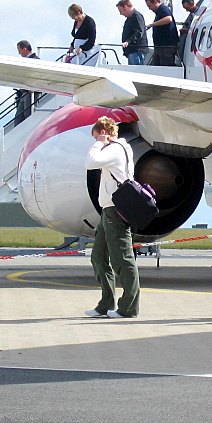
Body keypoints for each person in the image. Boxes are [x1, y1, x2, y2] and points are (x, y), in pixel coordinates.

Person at [84, 116, 140, 318]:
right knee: (98, 257)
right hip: (108, 210)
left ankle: (128, 308)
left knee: (122, 259)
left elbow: (90, 162)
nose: (96, 141)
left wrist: (99, 143)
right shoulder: (117, 149)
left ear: (102, 133)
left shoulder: (116, 149)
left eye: (96, 136)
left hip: (116, 211)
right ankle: (105, 304)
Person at [145, 0, 180, 66]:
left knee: (166, 67)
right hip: (160, 47)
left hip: (166, 47)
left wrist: (152, 24)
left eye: (150, 6)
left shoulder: (163, 9)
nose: (149, 8)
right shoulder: (159, 12)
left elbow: (168, 19)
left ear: (155, 2)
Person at [13, 40, 40, 126]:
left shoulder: (36, 60)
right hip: (25, 92)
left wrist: (35, 87)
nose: (19, 53)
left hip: (31, 92)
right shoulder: (28, 61)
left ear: (24, 49)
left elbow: (40, 75)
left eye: (19, 50)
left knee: (28, 115)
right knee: (19, 118)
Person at [116, 0, 148, 65]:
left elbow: (139, 32)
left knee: (136, 72)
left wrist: (128, 41)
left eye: (120, 11)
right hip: (132, 51)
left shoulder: (137, 16)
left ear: (125, 7)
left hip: (137, 50)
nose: (120, 13)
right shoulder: (130, 18)